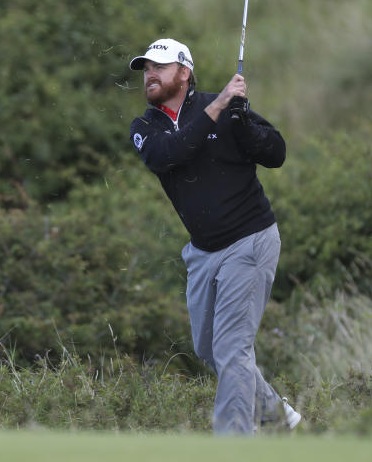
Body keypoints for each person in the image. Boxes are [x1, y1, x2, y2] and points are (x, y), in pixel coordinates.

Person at [127, 37, 301, 435]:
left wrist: (245, 129)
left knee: (230, 349)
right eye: (146, 69)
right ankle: (277, 416)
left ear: (183, 73)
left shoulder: (225, 108)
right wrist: (219, 106)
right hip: (203, 253)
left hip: (249, 240)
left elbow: (276, 152)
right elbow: (167, 154)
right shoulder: (146, 126)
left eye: (160, 67)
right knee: (209, 349)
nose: (150, 75)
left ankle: (234, 445)